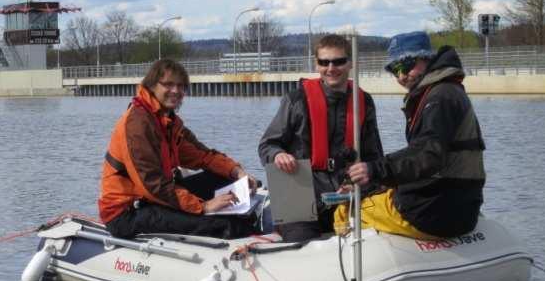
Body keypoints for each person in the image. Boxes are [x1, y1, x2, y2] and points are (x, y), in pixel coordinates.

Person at [339, 31, 485, 239]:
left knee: (343, 211)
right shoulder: (445, 91)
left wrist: (374, 169)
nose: (400, 76)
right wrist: (376, 180)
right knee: (376, 193)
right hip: (459, 204)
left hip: (434, 211)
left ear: (426, 59)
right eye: (393, 70)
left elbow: (427, 156)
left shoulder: (439, 98)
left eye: (406, 66)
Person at [98, 59, 258, 239]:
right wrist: (203, 207)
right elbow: (152, 185)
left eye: (181, 86)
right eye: (168, 84)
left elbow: (203, 156)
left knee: (224, 177)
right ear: (152, 86)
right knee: (225, 225)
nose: (176, 91)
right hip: (127, 213)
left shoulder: (168, 122)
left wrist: (237, 173)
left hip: (153, 199)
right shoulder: (138, 124)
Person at [258, 33, 383, 242]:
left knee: (371, 238)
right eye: (324, 62)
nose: (331, 68)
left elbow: (374, 157)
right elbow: (267, 145)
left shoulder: (364, 101)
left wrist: (362, 183)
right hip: (297, 189)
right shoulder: (296, 100)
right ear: (317, 65)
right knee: (302, 242)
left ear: (350, 63)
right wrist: (278, 155)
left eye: (338, 61)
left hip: (346, 191)